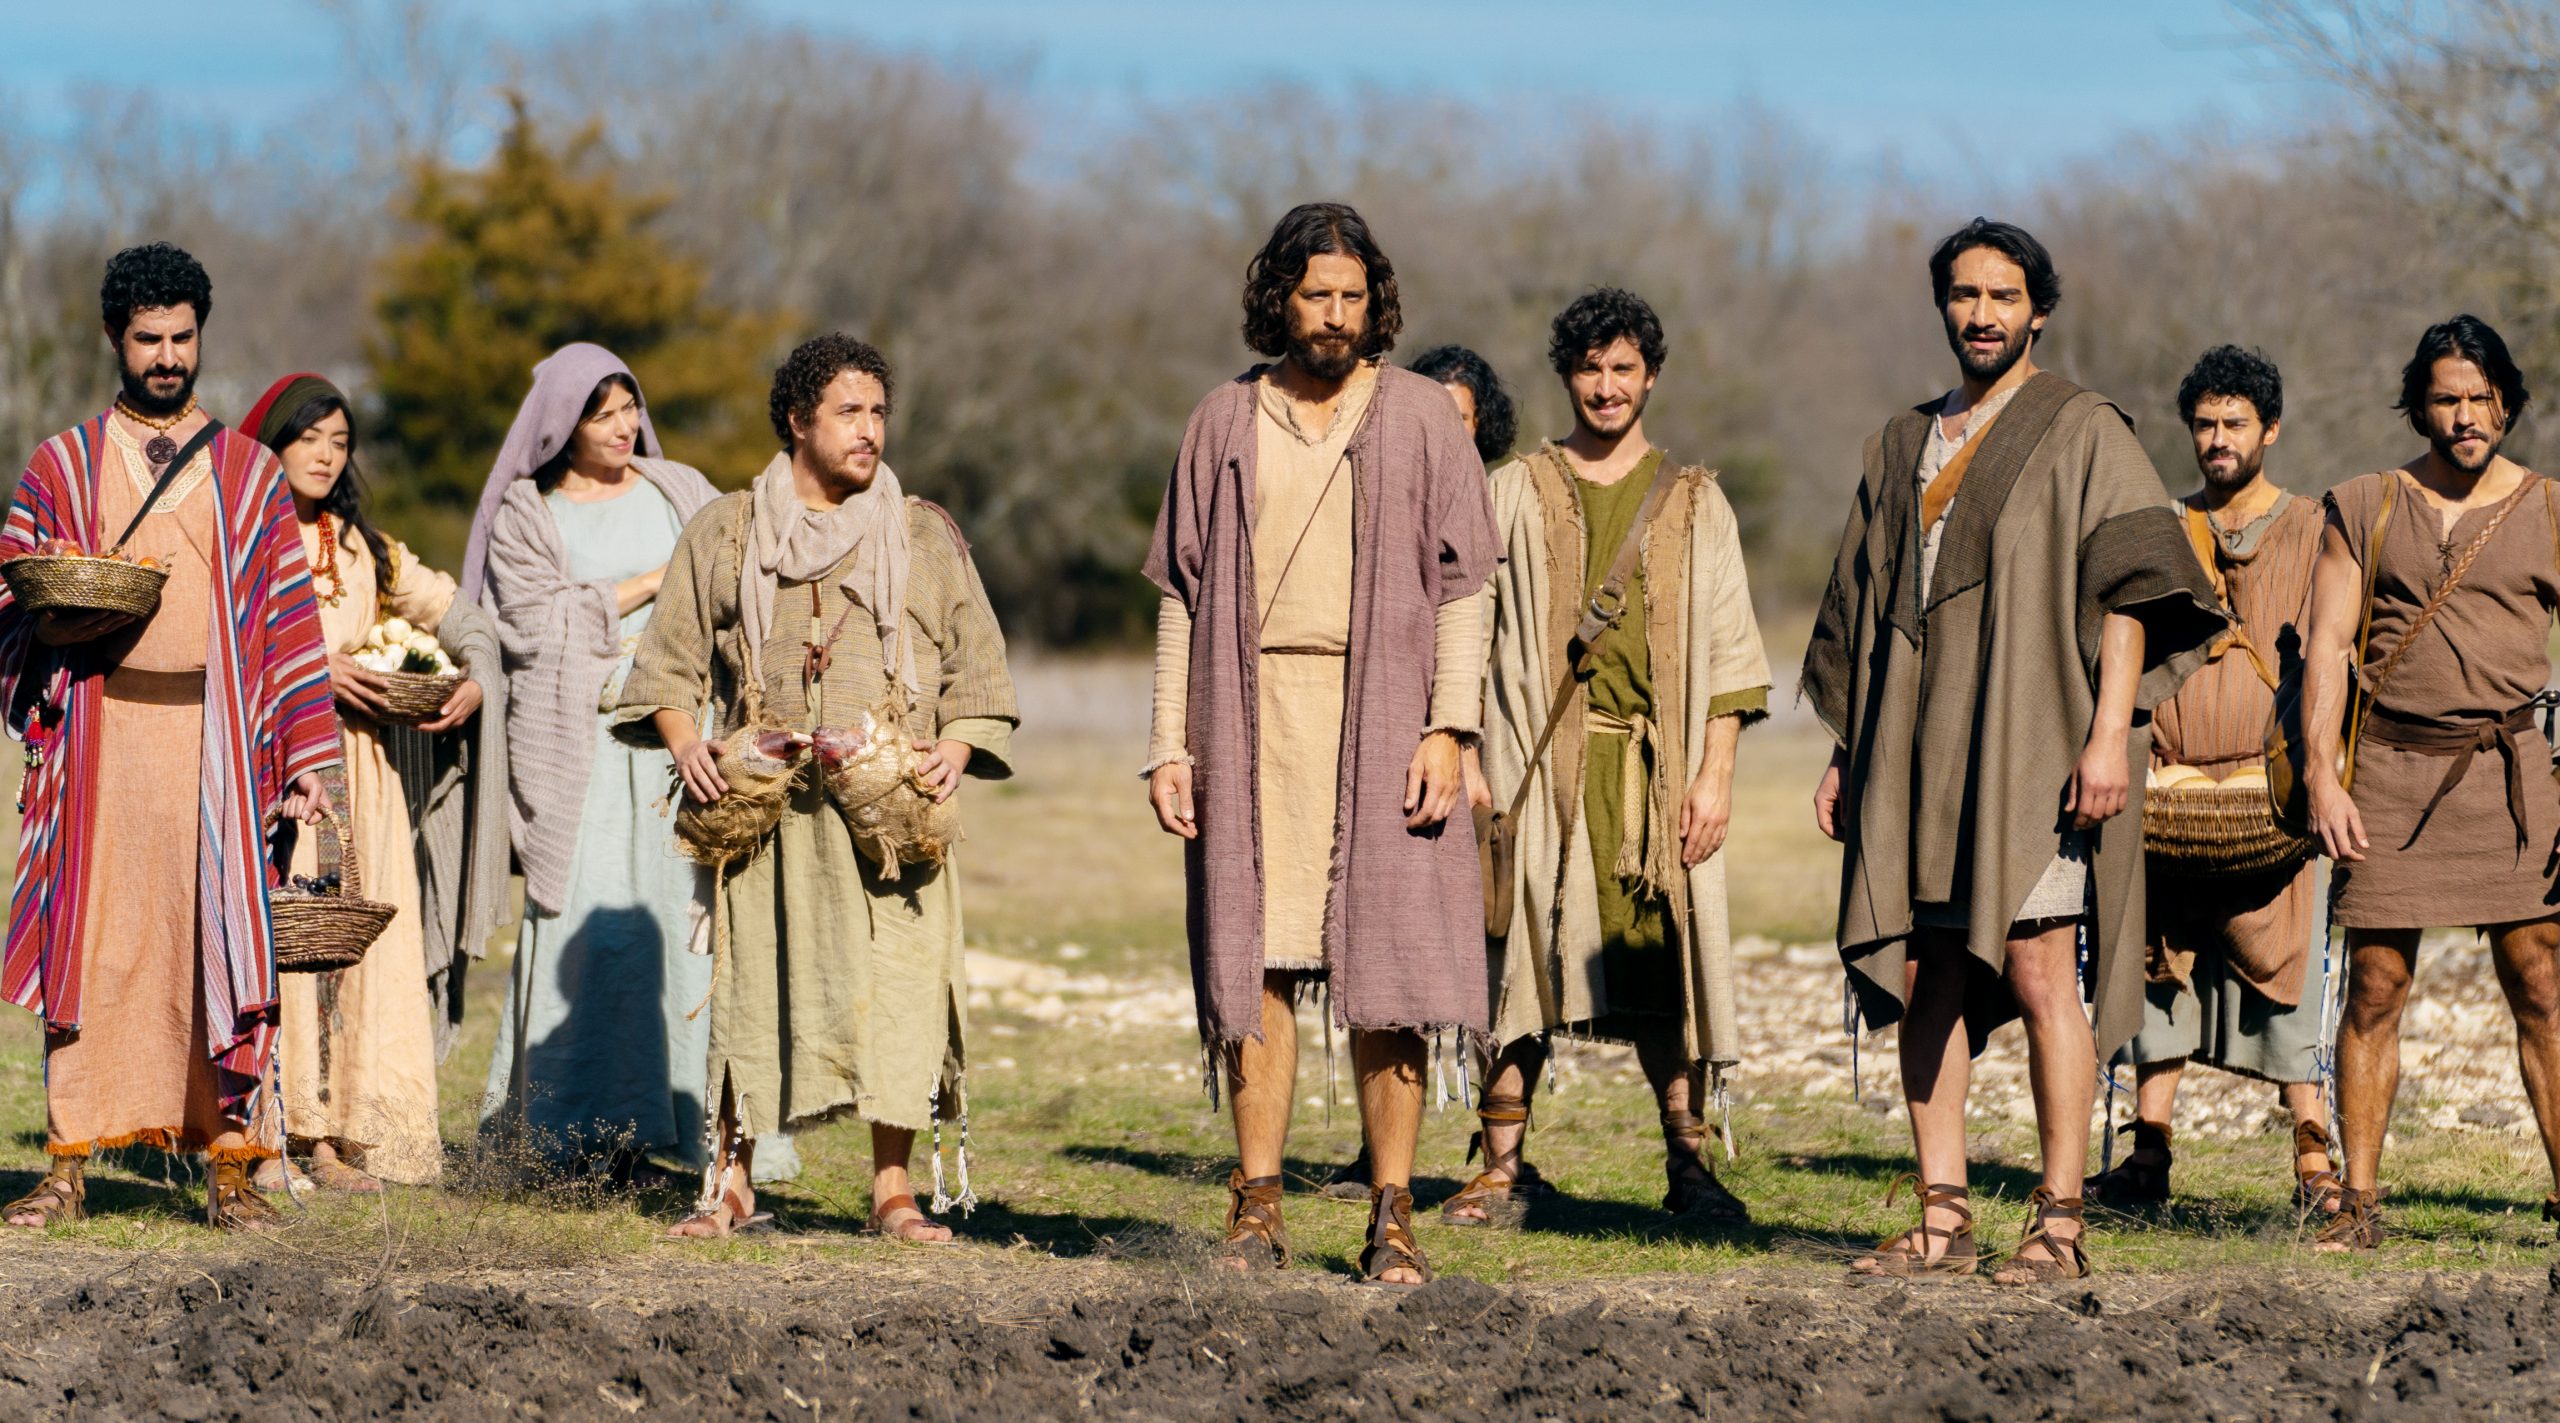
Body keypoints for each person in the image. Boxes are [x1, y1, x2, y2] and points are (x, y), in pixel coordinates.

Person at [1802, 219, 2222, 1283]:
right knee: (1922, 966)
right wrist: (1851, 752)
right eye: (1961, 294)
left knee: (2041, 971)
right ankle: (1943, 1219)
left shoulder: (2083, 427)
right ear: (1941, 304)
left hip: (2031, 748)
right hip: (1909, 754)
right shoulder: (1900, 442)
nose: (1979, 314)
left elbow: (2134, 589)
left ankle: (2060, 1222)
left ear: (2038, 308)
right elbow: (1860, 606)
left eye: (2000, 296)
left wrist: (2105, 738)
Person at [1145, 202, 1500, 1286]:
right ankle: (1258, 1200)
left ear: (1373, 301)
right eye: (1315, 294)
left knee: (1385, 968)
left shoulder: (1422, 419)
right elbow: (1181, 593)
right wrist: (1169, 742)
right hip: (1248, 718)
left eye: (1351, 295)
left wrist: (1449, 725)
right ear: (1278, 301)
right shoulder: (1222, 418)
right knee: (1254, 958)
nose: (1335, 314)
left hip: (1387, 715)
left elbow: (1465, 587)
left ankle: (1392, 1209)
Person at [618, 333, 1017, 1241]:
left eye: (879, 412)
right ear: (798, 420)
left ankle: (893, 1193)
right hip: (769, 811)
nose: (870, 429)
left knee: (901, 990)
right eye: (849, 411)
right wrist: (689, 744)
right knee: (753, 989)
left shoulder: (922, 532)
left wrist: (952, 751)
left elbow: (979, 672)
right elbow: (666, 666)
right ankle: (730, 1183)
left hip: (891, 811)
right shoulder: (725, 529)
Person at [0, 243, 337, 1230]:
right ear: (115, 338)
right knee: (91, 951)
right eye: (147, 338)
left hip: (217, 751)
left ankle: (230, 1170)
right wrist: (50, 617)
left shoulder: (245, 471)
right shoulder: (60, 463)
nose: (166, 356)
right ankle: (67, 1165)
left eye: (182, 337)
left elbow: (289, 622)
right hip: (98, 737)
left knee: (217, 951)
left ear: (201, 336)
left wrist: (308, 755)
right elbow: (13, 582)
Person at [1429, 288, 1772, 1229]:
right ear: (1565, 376)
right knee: (1521, 971)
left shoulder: (1699, 503)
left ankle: (1690, 1168)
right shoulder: (1513, 491)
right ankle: (1503, 1167)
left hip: (1654, 780)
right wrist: (1469, 750)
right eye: (1589, 367)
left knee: (1666, 976)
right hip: (1535, 773)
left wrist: (1715, 775)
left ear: (1651, 376)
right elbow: (1464, 627)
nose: (1607, 386)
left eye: (1624, 368)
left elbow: (1735, 659)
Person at [2301, 316, 2560, 1252]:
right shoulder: (2366, 502)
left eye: (2481, 397)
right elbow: (2327, 647)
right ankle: (2358, 1205)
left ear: (2507, 402)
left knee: (2540, 980)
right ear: (2419, 403)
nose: (2465, 415)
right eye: (2446, 398)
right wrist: (2327, 778)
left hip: (2513, 772)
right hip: (2391, 771)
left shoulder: (2548, 505)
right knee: (2375, 982)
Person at [467, 344, 736, 1184]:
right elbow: (532, 625)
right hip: (578, 752)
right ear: (560, 424)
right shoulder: (527, 509)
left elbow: (730, 584)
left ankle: (681, 1133)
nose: (623, 425)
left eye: (629, 406)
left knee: (678, 936)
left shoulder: (682, 489)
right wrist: (658, 579)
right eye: (601, 411)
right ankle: (560, 1139)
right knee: (583, 939)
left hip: (678, 748)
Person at [240, 373, 505, 1194]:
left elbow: (463, 613)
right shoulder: (242, 539)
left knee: (356, 949)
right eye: (308, 437)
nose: (324, 454)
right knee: (289, 946)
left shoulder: (369, 550)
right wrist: (315, 666)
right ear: (272, 445)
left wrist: (477, 675)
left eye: (339, 441)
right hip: (277, 765)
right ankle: (271, 1136)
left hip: (366, 778)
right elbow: (221, 637)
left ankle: (340, 1141)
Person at [2089, 346, 2340, 1213]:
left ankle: (2313, 1160)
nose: (2218, 438)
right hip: (2166, 791)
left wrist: (2321, 768)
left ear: (2270, 428)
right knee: (2158, 966)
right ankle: (2147, 1155)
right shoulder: (2159, 524)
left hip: (2274, 792)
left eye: (2235, 422)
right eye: (2204, 423)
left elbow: (2341, 654)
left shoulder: (2316, 527)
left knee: (2293, 965)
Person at [1407, 344, 1519, 471]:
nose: (1448, 431)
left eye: (1460, 419)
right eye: (1438, 417)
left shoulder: (1497, 487)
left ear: (1479, 421)